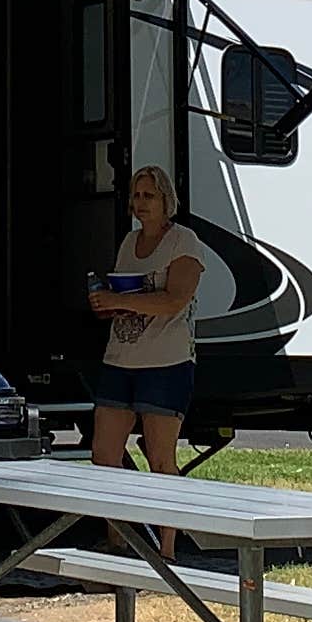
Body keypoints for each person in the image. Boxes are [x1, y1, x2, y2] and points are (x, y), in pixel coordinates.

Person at [86, 163, 206, 475]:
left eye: (149, 195)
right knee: (104, 457)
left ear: (166, 200)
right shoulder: (129, 242)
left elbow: (174, 300)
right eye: (136, 195)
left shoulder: (184, 241)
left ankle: (168, 526)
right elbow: (126, 297)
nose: (141, 202)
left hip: (165, 364)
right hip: (120, 360)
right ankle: (117, 526)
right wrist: (107, 303)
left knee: (160, 460)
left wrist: (119, 300)